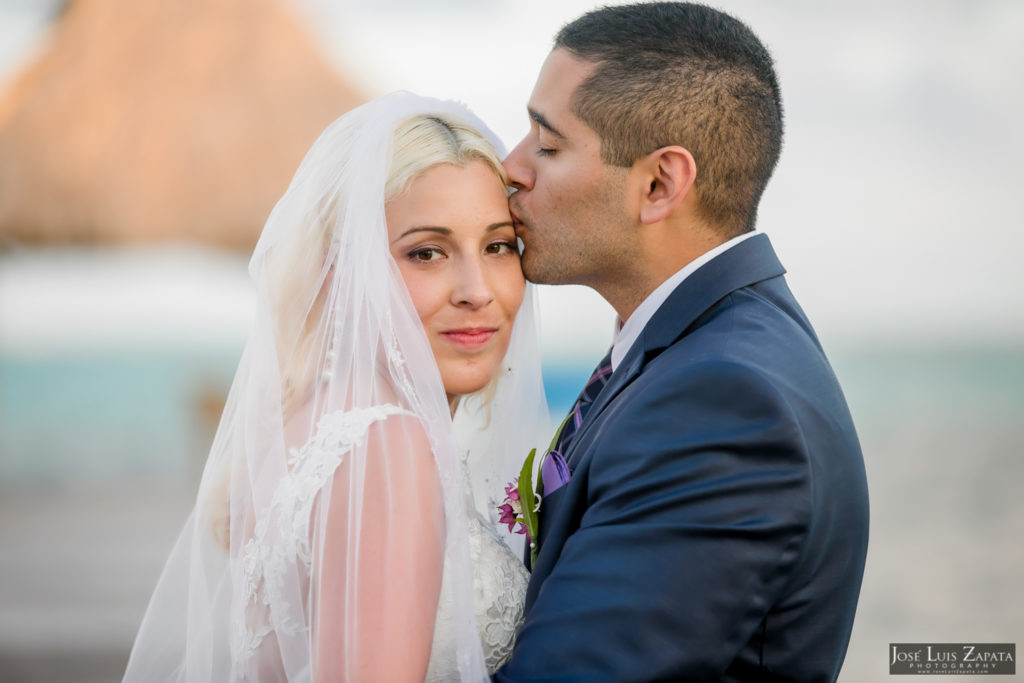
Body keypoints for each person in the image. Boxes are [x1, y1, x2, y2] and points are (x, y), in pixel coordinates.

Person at [495, 3, 870, 682]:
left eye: (547, 146)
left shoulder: (724, 402)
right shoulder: (693, 347)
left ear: (660, 184)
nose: (511, 168)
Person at [123, 92, 549, 682]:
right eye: (427, 252)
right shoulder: (388, 448)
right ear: (341, 272)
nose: (476, 289)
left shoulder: (307, 430)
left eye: (498, 246)